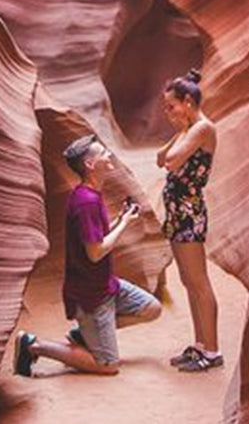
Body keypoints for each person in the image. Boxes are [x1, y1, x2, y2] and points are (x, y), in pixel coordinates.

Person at [14, 135, 162, 377]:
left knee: (151, 309)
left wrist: (118, 220)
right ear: (90, 165)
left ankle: (85, 335)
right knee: (108, 364)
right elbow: (95, 253)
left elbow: (93, 237)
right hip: (92, 296)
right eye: (102, 153)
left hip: (106, 285)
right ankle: (33, 346)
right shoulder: (86, 203)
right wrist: (124, 223)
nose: (108, 155)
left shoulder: (89, 194)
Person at [156, 69, 222, 372]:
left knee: (199, 282)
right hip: (178, 213)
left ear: (188, 101)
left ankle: (212, 351)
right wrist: (180, 127)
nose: (168, 113)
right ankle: (199, 346)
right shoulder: (189, 128)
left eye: (171, 106)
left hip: (189, 212)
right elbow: (160, 156)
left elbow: (172, 160)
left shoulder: (203, 128)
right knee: (188, 281)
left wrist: (183, 128)